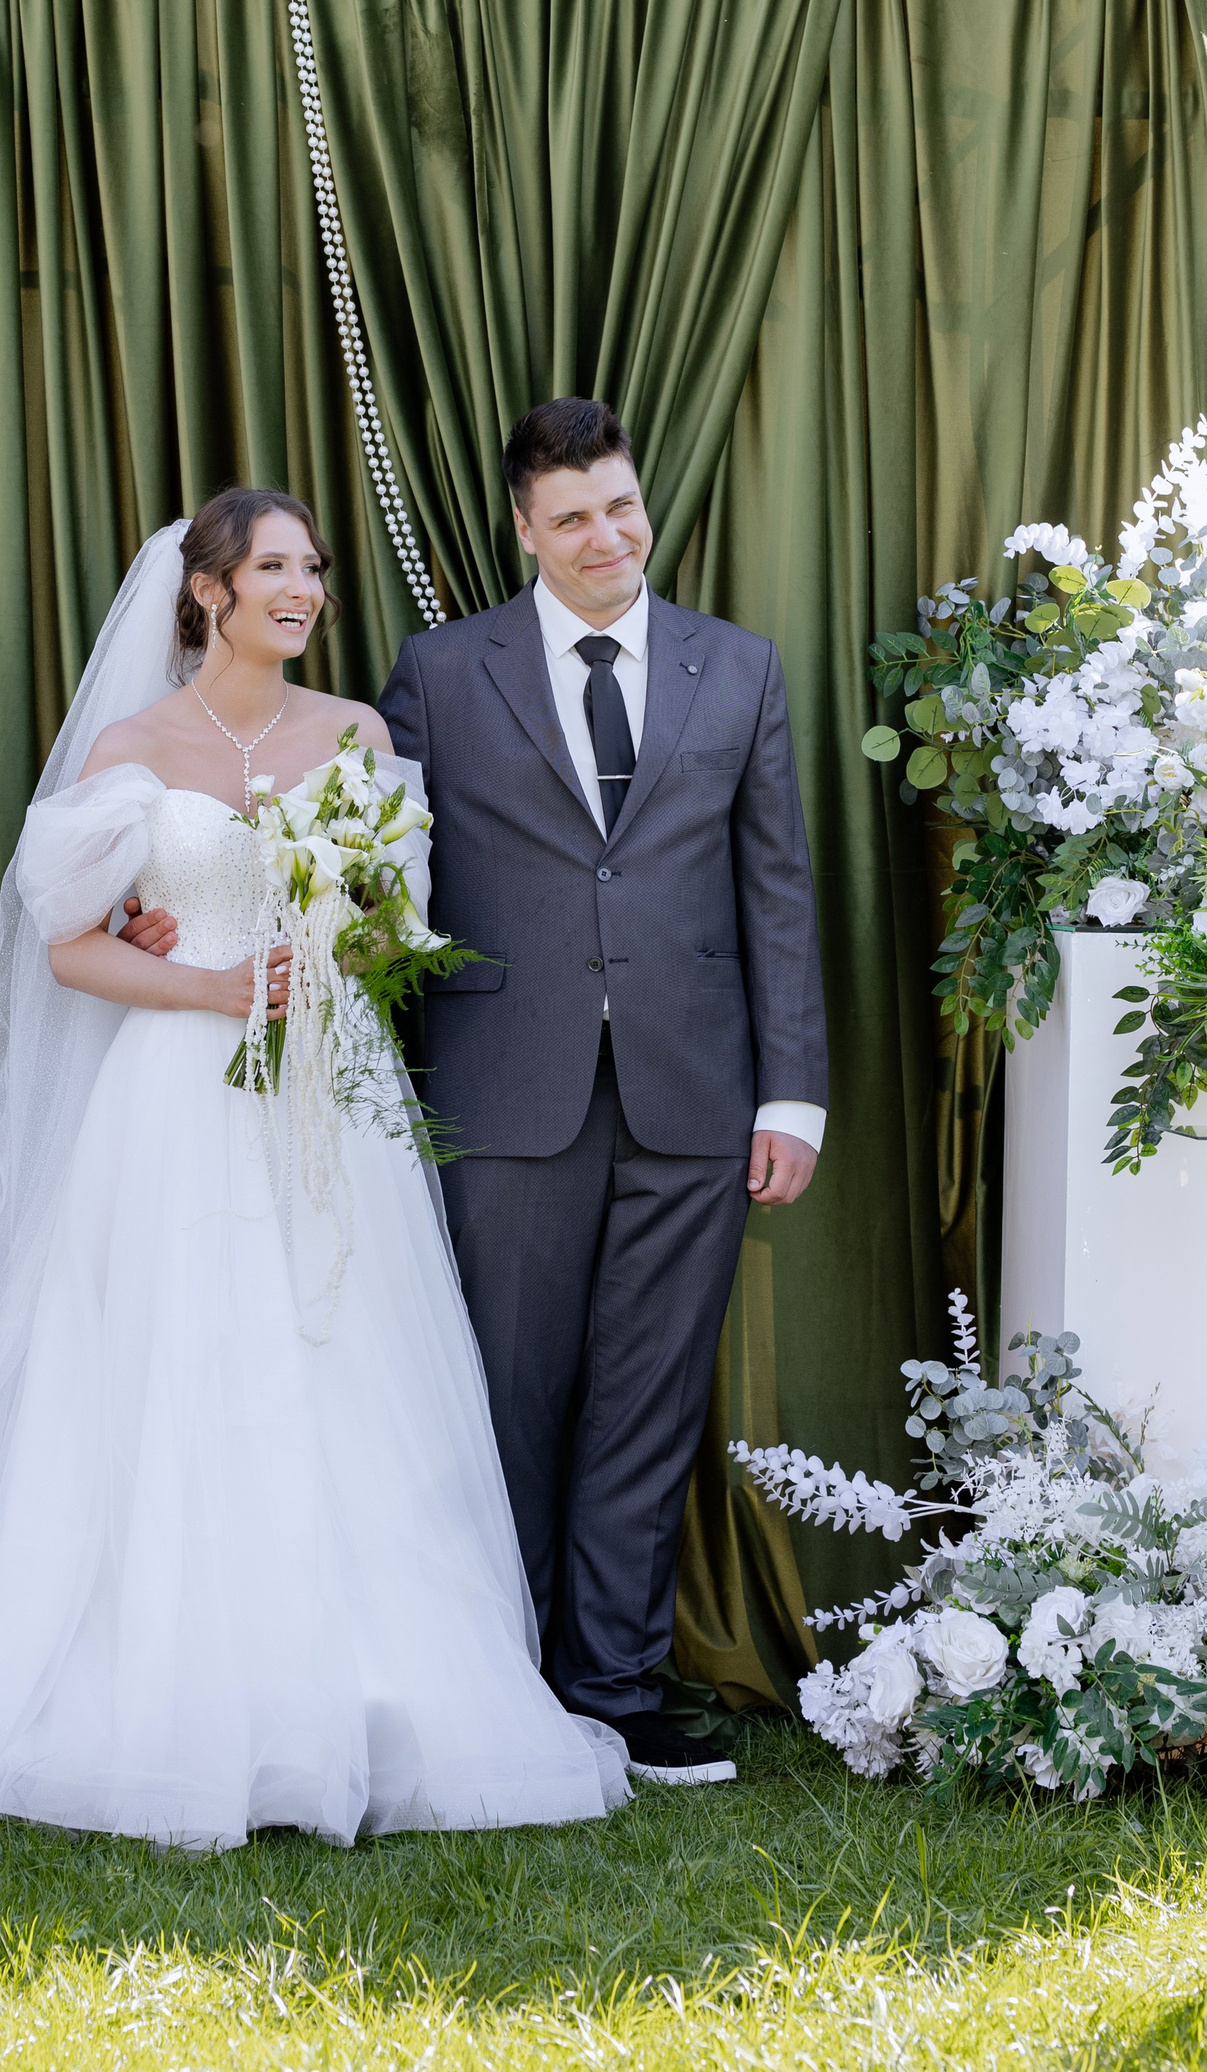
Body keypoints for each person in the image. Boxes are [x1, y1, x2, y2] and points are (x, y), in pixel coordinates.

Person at [0, 487, 627, 1848]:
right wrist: (209, 985)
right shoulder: (132, 748)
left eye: (312, 569)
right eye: (275, 568)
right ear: (208, 592)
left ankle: (368, 1689)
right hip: (175, 1098)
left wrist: (343, 939)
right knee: (179, 1365)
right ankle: (169, 1686)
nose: (303, 589)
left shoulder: (357, 733)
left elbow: (393, 928)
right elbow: (69, 948)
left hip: (329, 1090)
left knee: (346, 1363)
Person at [377, 398, 828, 1786]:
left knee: (649, 1401)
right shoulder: (440, 673)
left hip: (698, 1098)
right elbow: (378, 879)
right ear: (525, 529)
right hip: (505, 1091)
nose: (604, 537)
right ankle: (499, 1682)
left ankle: (619, 1690)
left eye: (619, 506)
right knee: (504, 1401)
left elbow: (776, 887)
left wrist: (792, 1095)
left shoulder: (737, 667)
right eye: (570, 517)